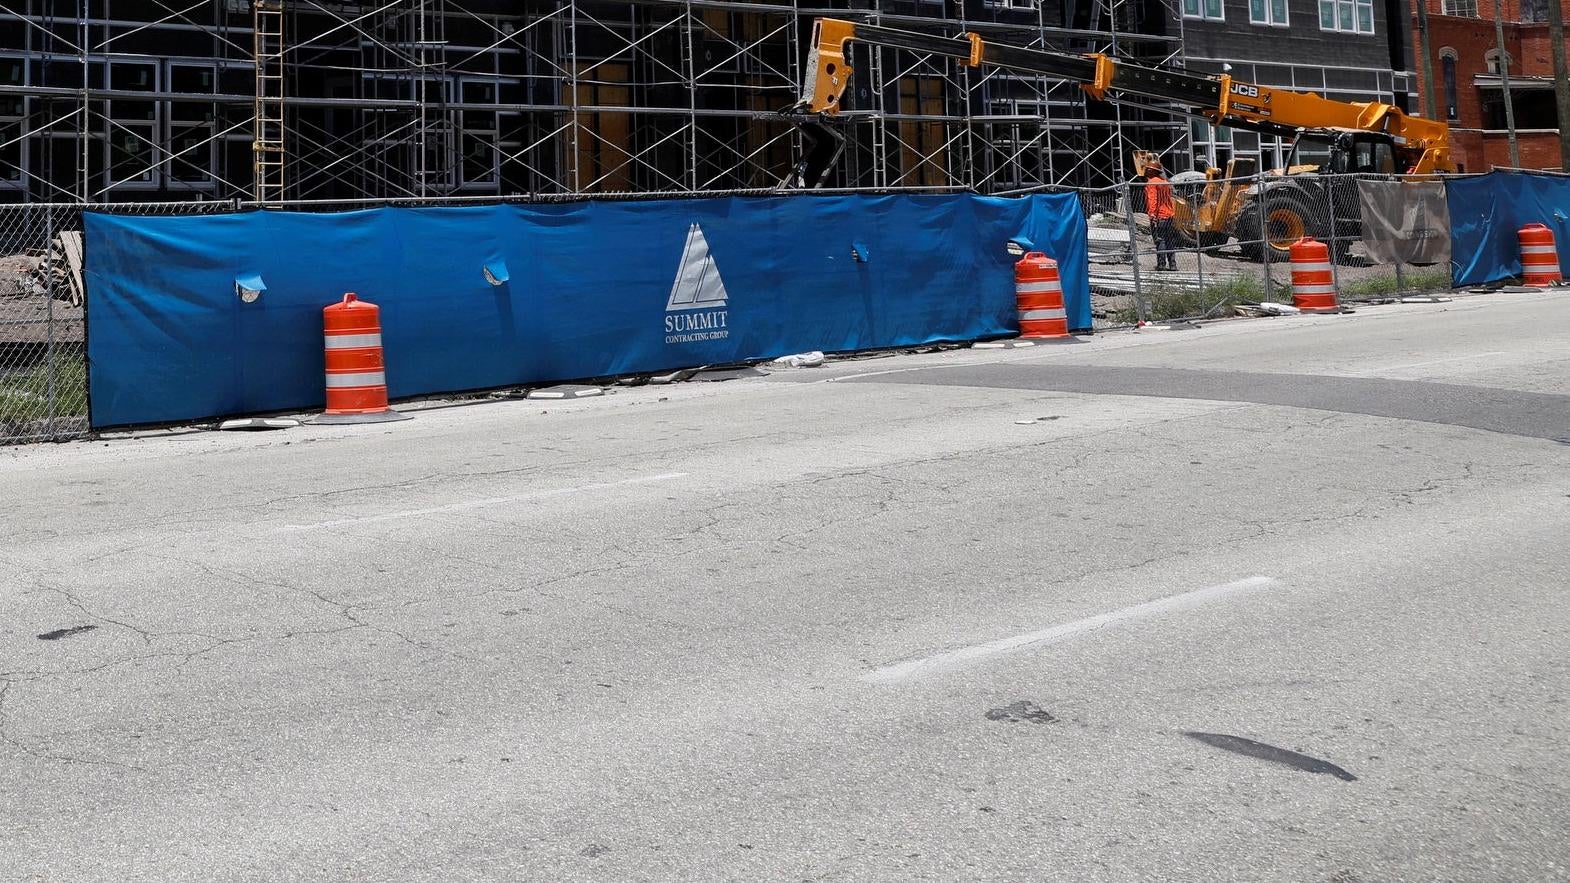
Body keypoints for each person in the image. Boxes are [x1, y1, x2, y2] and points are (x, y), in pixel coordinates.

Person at [1143, 158, 1177, 271]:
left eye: (1148, 169)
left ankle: (1161, 265)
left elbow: (1152, 200)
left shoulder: (1152, 183)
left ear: (1152, 171)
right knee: (1169, 240)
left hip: (1159, 216)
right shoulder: (1165, 182)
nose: (1146, 171)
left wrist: (1152, 215)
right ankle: (1172, 264)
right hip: (1169, 215)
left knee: (1160, 240)